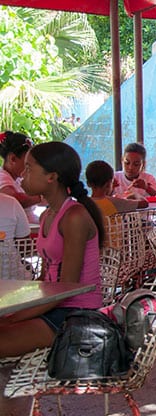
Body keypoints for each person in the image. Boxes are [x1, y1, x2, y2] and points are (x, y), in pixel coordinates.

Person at [0, 142, 105, 357]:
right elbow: (46, 276)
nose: (22, 175)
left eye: (29, 169)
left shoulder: (74, 217)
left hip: (77, 313)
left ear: (52, 177)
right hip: (55, 306)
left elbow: (67, 288)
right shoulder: (47, 215)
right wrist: (18, 305)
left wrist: (17, 315)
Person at [0, 131, 42, 223]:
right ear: (13, 159)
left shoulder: (18, 179)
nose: (30, 165)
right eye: (27, 162)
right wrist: (43, 195)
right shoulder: (2, 177)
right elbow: (12, 200)